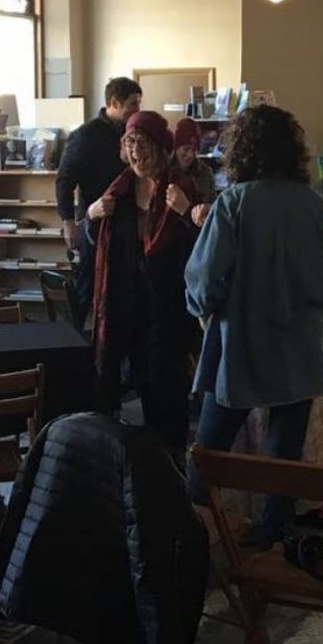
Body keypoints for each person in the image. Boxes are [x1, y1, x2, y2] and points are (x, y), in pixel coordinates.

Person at [185, 105, 323, 544]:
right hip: (301, 349)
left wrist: (211, 307)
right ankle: (273, 538)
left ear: (241, 150)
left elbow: (202, 280)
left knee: (208, 451)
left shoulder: (234, 203)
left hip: (240, 345)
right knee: (285, 456)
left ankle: (191, 532)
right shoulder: (317, 207)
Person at [88, 110, 199, 456]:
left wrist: (186, 213)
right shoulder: (118, 190)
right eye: (130, 143)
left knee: (165, 388)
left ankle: (171, 462)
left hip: (167, 305)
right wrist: (90, 216)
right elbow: (95, 241)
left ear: (159, 148)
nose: (135, 152)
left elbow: (205, 247)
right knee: (122, 380)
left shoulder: (182, 188)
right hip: (123, 303)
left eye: (142, 144)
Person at [56, 77, 142, 328]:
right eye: (132, 104)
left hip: (127, 225)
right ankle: (78, 351)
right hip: (94, 226)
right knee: (88, 291)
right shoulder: (85, 136)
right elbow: (64, 179)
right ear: (114, 103)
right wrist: (68, 221)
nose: (137, 109)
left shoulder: (132, 133)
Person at [172, 116, 217, 224]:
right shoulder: (165, 173)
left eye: (194, 150)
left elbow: (215, 207)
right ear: (176, 147)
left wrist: (208, 209)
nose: (190, 155)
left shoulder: (205, 173)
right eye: (186, 149)